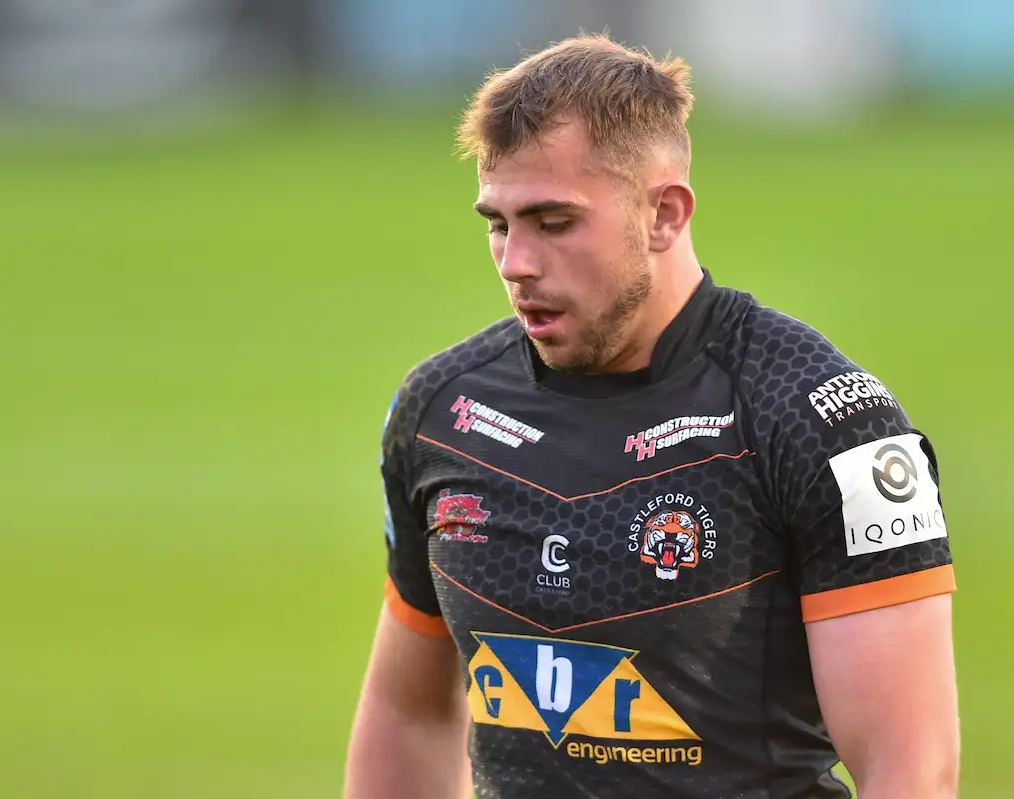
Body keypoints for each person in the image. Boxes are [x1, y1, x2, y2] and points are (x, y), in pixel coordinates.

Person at [345, 33, 959, 799]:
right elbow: (410, 711)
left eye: (554, 222)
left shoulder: (820, 420)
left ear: (664, 213)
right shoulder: (443, 413)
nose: (515, 263)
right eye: (498, 224)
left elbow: (911, 770)